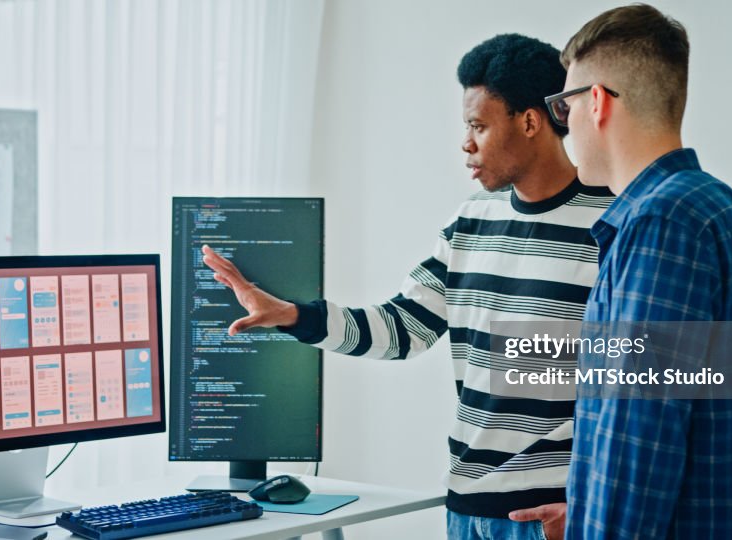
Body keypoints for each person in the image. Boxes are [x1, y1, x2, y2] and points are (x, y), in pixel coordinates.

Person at [202, 34, 613, 540]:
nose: (466, 143)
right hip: (466, 510)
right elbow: (402, 329)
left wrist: (593, 506)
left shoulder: (613, 222)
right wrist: (290, 314)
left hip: (556, 515)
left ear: (530, 122)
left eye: (479, 126)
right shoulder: (472, 220)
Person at [546, 4, 732, 538]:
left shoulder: (660, 222)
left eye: (564, 107)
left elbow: (635, 435)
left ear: (596, 103)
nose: (564, 129)